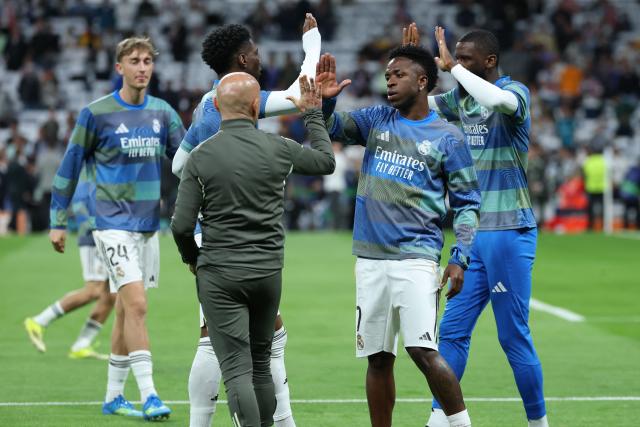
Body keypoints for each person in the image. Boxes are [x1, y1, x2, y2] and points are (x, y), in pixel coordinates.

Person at [171, 15, 321, 427]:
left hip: (217, 234)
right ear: (242, 58)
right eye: (254, 51)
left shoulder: (209, 102)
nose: (260, 57)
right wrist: (312, 46)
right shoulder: (233, 100)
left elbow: (179, 163)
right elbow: (298, 95)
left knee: (267, 334)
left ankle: (276, 420)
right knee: (221, 343)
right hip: (227, 241)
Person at [317, 45, 479, 426]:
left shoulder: (448, 138)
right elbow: (332, 128)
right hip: (370, 259)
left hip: (416, 258)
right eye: (387, 75)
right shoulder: (377, 119)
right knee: (377, 357)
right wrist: (324, 105)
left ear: (423, 82)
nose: (389, 80)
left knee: (423, 350)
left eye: (399, 74)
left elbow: (468, 203)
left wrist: (460, 257)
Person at [403, 24, 548, 426]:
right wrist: (414, 64)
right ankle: (439, 419)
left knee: (512, 337)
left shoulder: (514, 92)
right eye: (456, 58)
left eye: (467, 59)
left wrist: (454, 69)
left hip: (509, 232)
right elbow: (418, 106)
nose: (459, 66)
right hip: (472, 237)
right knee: (450, 333)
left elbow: (498, 101)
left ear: (490, 61)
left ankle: (539, 422)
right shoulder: (459, 99)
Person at [49, 36, 185, 420]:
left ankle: (112, 397)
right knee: (138, 303)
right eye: (135, 61)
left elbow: (187, 163)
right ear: (119, 67)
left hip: (147, 225)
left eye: (147, 61)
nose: (142, 67)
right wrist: (57, 220)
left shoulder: (163, 114)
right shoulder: (96, 113)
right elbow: (69, 166)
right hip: (110, 224)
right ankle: (150, 395)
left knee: (127, 310)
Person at [25, 167, 115, 359]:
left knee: (111, 294)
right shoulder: (93, 168)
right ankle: (39, 321)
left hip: (108, 232)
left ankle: (82, 344)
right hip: (95, 233)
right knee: (94, 289)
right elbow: (83, 198)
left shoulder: (103, 165)